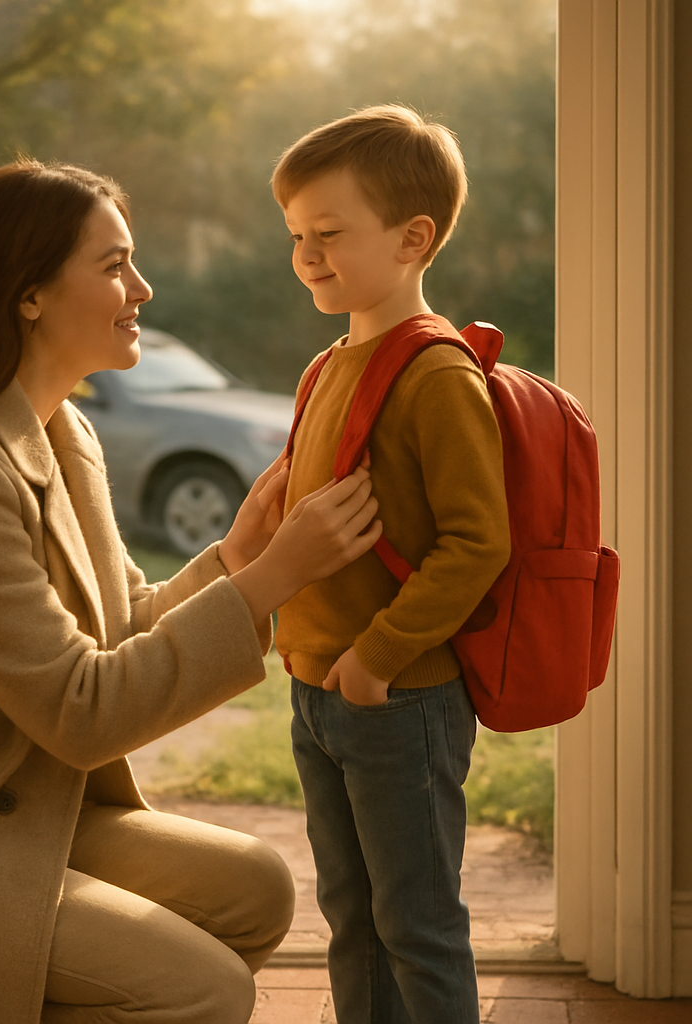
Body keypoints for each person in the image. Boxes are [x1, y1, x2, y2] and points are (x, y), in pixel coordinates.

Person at [0, 159, 383, 1024]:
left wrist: (242, 555)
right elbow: (82, 711)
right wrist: (278, 577)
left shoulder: (64, 430)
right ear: (29, 294)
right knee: (205, 990)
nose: (142, 286)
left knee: (253, 890)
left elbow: (117, 625)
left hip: (19, 813)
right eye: (113, 265)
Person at [272, 105, 512, 1023]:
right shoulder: (332, 361)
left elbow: (477, 544)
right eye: (297, 235)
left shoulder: (435, 375)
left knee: (416, 923)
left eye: (329, 234)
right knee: (352, 919)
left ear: (414, 239)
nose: (307, 255)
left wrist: (375, 659)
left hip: (397, 694)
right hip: (320, 691)